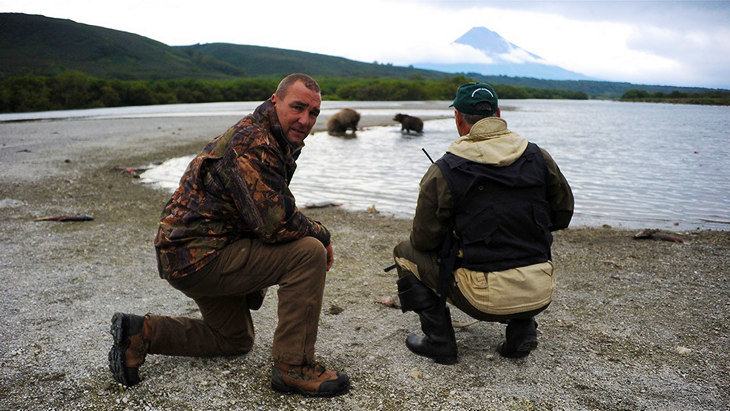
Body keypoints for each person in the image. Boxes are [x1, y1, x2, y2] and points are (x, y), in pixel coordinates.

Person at [108, 73, 350, 397]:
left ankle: (142, 333)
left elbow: (268, 208)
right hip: (201, 254)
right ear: (275, 100)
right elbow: (276, 224)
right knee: (309, 252)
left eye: (314, 113)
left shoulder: (271, 138)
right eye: (298, 108)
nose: (305, 120)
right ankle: (294, 367)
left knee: (234, 339)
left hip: (187, 253)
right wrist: (323, 234)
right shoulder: (255, 141)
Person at [392, 82, 574, 364]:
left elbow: (423, 241)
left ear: (458, 119)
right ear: (498, 113)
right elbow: (562, 215)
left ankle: (439, 341)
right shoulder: (538, 157)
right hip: (540, 290)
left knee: (404, 252)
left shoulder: (444, 170)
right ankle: (522, 329)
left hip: (480, 298)